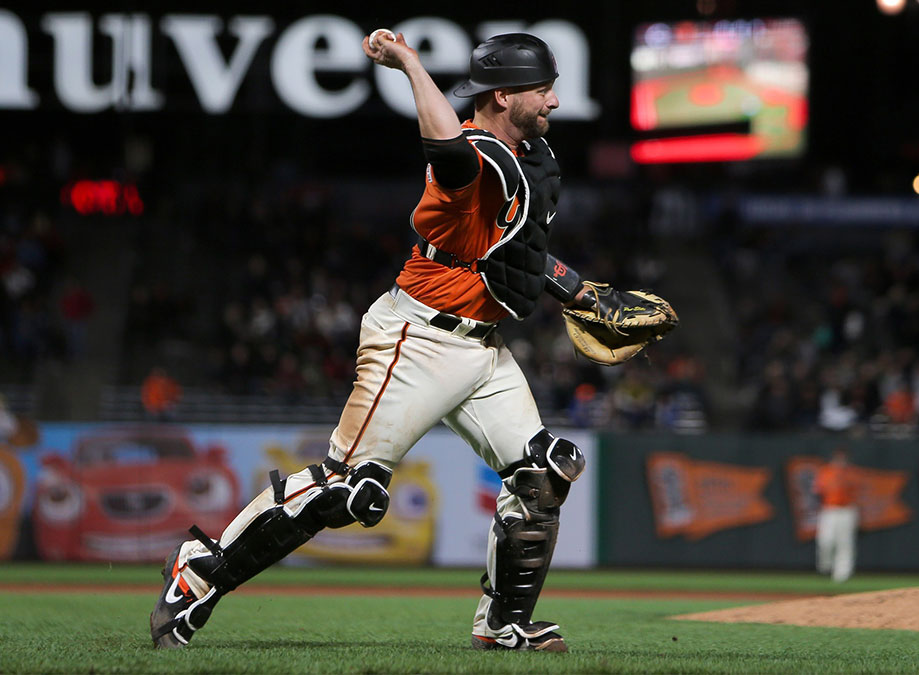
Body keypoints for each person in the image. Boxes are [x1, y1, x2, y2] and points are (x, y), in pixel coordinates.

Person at [149, 30, 641, 653]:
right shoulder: (470, 155)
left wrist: (580, 293)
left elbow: (518, 253)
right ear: (504, 94)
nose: (554, 103)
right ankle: (199, 571)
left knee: (543, 474)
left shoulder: (530, 158)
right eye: (543, 91)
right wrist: (410, 63)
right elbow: (446, 147)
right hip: (418, 338)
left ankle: (502, 624)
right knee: (345, 488)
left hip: (481, 349)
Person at [813, 448, 859, 582]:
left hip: (847, 510)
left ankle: (842, 574)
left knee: (845, 543)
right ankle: (825, 566)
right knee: (825, 541)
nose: (840, 461)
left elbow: (857, 493)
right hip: (829, 510)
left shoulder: (852, 473)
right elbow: (817, 491)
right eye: (838, 458)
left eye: (843, 458)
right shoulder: (826, 472)